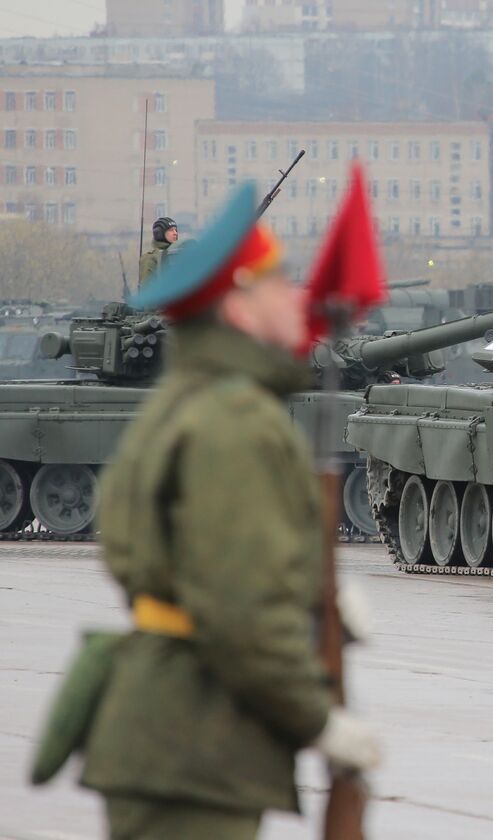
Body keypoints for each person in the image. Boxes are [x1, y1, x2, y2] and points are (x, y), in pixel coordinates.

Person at [77, 183, 382, 839]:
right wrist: (317, 720)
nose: (295, 297)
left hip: (173, 730)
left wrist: (308, 599)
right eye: (277, 284)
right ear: (239, 309)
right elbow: (239, 613)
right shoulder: (233, 423)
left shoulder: (194, 402)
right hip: (198, 740)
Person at [137, 217, 179, 287]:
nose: (175, 233)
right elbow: (148, 287)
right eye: (171, 230)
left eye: (175, 230)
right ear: (159, 233)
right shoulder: (150, 258)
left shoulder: (177, 254)